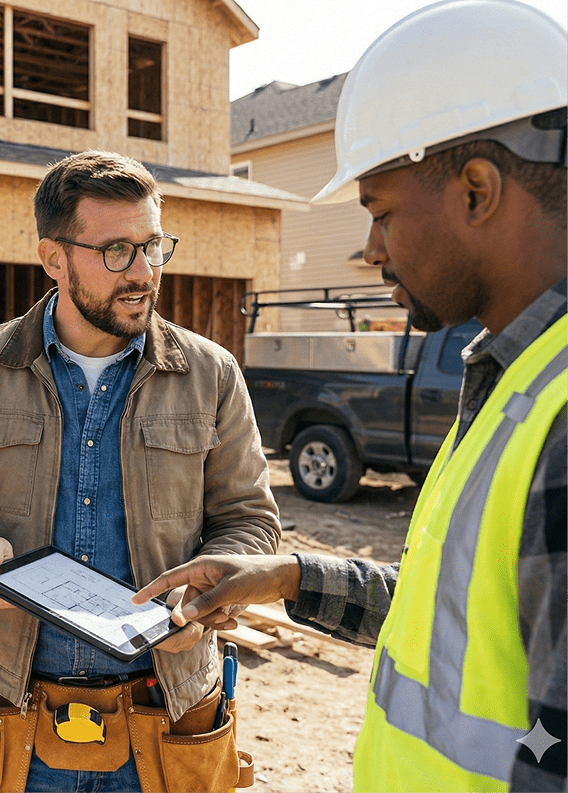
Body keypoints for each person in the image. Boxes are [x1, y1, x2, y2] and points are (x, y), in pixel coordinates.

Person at [133, 2, 567, 791]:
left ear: (475, 190)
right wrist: (288, 575)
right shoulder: (517, 378)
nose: (370, 251)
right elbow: (460, 621)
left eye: (379, 210)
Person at [0, 150, 280, 792]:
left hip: (166, 719)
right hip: (7, 719)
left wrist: (211, 585)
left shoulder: (211, 375)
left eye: (153, 246)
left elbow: (249, 521)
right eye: (116, 252)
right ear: (55, 259)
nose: (143, 272)